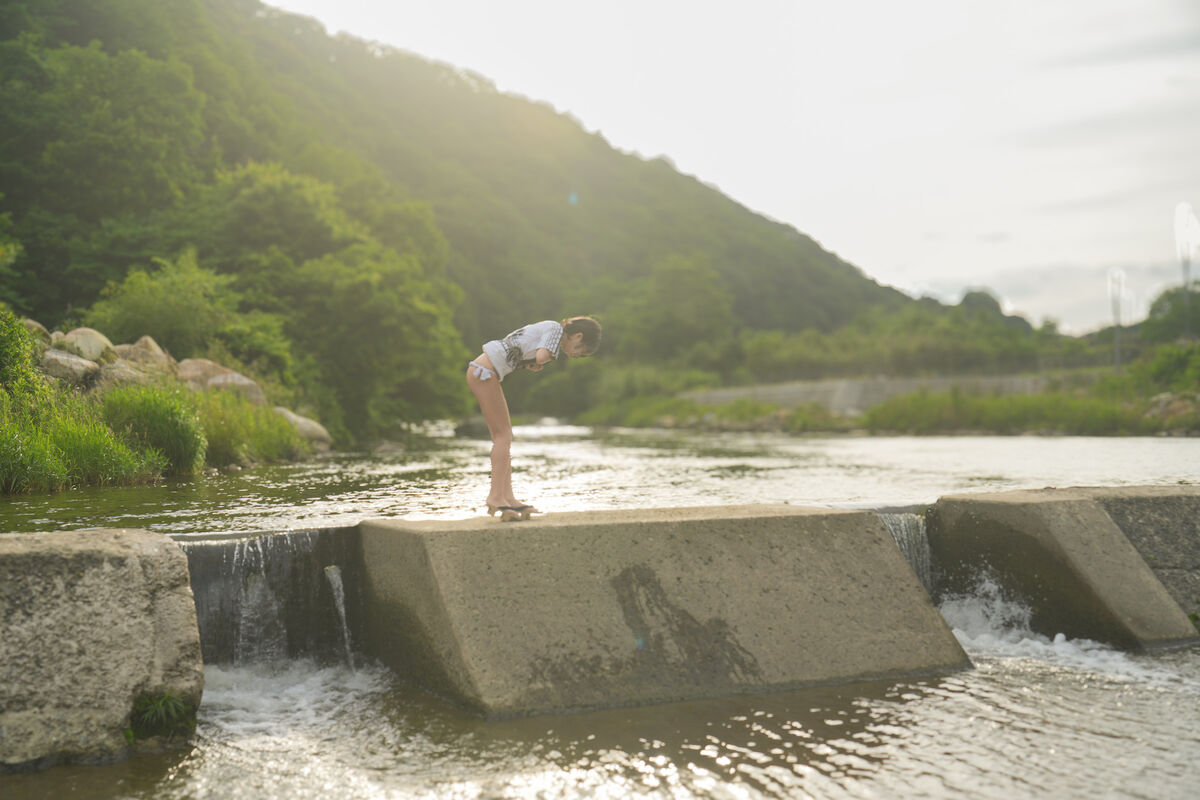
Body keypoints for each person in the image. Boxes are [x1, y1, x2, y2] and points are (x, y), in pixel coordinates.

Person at [466, 316, 602, 521]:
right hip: (484, 372)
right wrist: (542, 360)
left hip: (485, 371)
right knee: (503, 437)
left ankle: (508, 498)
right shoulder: (556, 330)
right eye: (579, 351)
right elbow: (541, 356)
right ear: (578, 336)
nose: (575, 355)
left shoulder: (550, 329)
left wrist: (529, 363)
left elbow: (520, 349)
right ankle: (495, 497)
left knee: (504, 437)